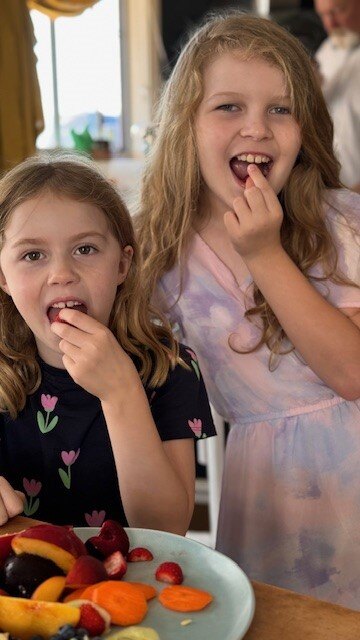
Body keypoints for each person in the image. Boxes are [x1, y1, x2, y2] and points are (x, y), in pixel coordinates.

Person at [135, 12, 360, 608]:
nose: (256, 128)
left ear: (305, 129)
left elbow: (353, 373)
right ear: (185, 125)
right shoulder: (159, 259)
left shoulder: (342, 225)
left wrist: (263, 252)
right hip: (268, 504)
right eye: (229, 107)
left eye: (280, 110)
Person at [0, 152, 215, 531]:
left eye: (85, 249)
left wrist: (120, 393)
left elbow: (166, 529)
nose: (61, 274)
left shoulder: (170, 369)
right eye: (33, 254)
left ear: (122, 264)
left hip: (128, 586)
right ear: (3, 277)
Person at [314, 0, 360, 192]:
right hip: (334, 197)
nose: (330, 24)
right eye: (323, 15)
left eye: (338, 10)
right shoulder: (327, 50)